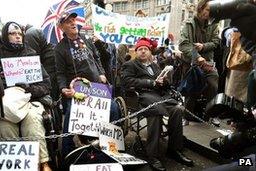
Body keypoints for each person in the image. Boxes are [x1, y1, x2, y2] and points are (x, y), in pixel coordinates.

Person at [54, 11, 120, 158]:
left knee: (114, 109)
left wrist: (102, 73)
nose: (72, 23)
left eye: (73, 20)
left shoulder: (86, 39)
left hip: (98, 88)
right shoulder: (60, 48)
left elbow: (97, 58)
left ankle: (112, 147)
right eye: (67, 21)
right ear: (61, 27)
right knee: (71, 114)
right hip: (78, 89)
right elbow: (60, 73)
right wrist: (63, 88)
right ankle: (67, 152)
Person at [121, 38, 193, 171]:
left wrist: (164, 81)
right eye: (140, 49)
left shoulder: (155, 65)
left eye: (145, 49)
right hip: (142, 97)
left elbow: (164, 86)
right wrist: (151, 83)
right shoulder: (130, 65)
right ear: (136, 52)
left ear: (149, 52)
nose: (143, 51)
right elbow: (126, 81)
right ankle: (152, 155)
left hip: (160, 96)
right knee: (155, 112)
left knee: (177, 109)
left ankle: (174, 149)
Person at [0, 21, 52, 171]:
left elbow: (47, 85)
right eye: (13, 34)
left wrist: (30, 90)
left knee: (32, 120)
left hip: (31, 101)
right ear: (5, 36)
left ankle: (42, 163)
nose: (17, 37)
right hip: (7, 103)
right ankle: (13, 167)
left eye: (20, 33)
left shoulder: (31, 55)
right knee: (3, 126)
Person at [179, 0, 220, 126]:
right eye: (207, 10)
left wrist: (203, 46)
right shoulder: (188, 24)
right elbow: (183, 45)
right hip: (192, 63)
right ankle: (186, 116)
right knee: (192, 89)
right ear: (200, 9)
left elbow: (216, 42)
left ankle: (212, 115)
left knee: (213, 85)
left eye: (211, 11)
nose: (209, 13)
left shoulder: (214, 24)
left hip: (208, 63)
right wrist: (197, 57)